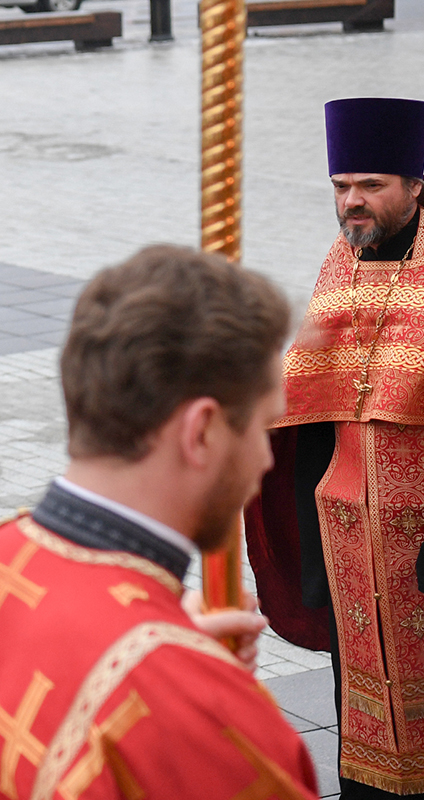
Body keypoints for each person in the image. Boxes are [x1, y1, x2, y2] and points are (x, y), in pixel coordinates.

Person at [0, 245, 320, 799]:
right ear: (201, 431)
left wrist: (171, 644)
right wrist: (197, 680)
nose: (267, 459)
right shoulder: (203, 711)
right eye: (262, 427)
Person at [246, 97, 424, 798]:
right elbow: (307, 406)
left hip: (419, 548)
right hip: (349, 541)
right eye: (341, 186)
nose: (353, 201)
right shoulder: (339, 263)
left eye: (371, 186)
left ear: (416, 184)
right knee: (363, 705)